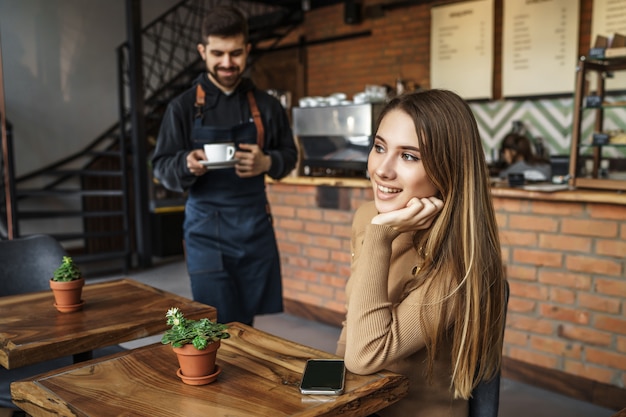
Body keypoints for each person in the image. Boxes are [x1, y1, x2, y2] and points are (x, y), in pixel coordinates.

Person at [335, 89, 506, 417]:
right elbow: (355, 322)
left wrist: (381, 236)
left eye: (409, 156)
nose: (382, 170)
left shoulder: (460, 263)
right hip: (354, 404)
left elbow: (364, 355)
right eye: (379, 147)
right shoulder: (369, 217)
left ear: (448, 169)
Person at [152, 5, 298, 326]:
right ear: (202, 51)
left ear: (247, 50)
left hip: (254, 226)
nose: (227, 63)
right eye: (218, 53)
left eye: (235, 54)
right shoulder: (182, 107)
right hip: (206, 230)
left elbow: (289, 155)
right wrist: (186, 163)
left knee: (245, 323)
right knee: (212, 319)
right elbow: (161, 166)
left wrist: (267, 161)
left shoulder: (267, 106)